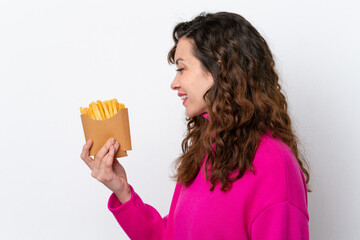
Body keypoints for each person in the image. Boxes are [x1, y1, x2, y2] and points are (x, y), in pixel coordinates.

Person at [80, 11, 310, 240]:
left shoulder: (274, 164)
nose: (174, 83)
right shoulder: (205, 152)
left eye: (181, 68)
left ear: (218, 68)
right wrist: (122, 191)